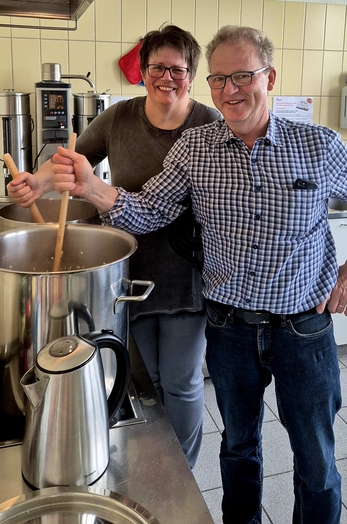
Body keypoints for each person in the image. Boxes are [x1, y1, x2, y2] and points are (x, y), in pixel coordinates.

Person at [12, 24, 347, 523]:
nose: (230, 90)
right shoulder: (197, 148)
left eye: (243, 76)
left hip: (304, 328)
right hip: (230, 326)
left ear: (269, 77)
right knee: (238, 451)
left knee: (316, 459)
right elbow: (149, 210)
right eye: (219, 79)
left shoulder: (320, 145)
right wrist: (91, 187)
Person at [7, 25, 221, 470]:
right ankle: (158, 465)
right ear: (142, 72)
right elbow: (69, 159)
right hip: (129, 271)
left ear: (192, 75)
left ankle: (182, 472)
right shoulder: (120, 118)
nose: (167, 77)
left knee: (181, 383)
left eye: (178, 69)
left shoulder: (209, 125)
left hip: (188, 274)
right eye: (157, 67)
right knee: (149, 381)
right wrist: (36, 182)